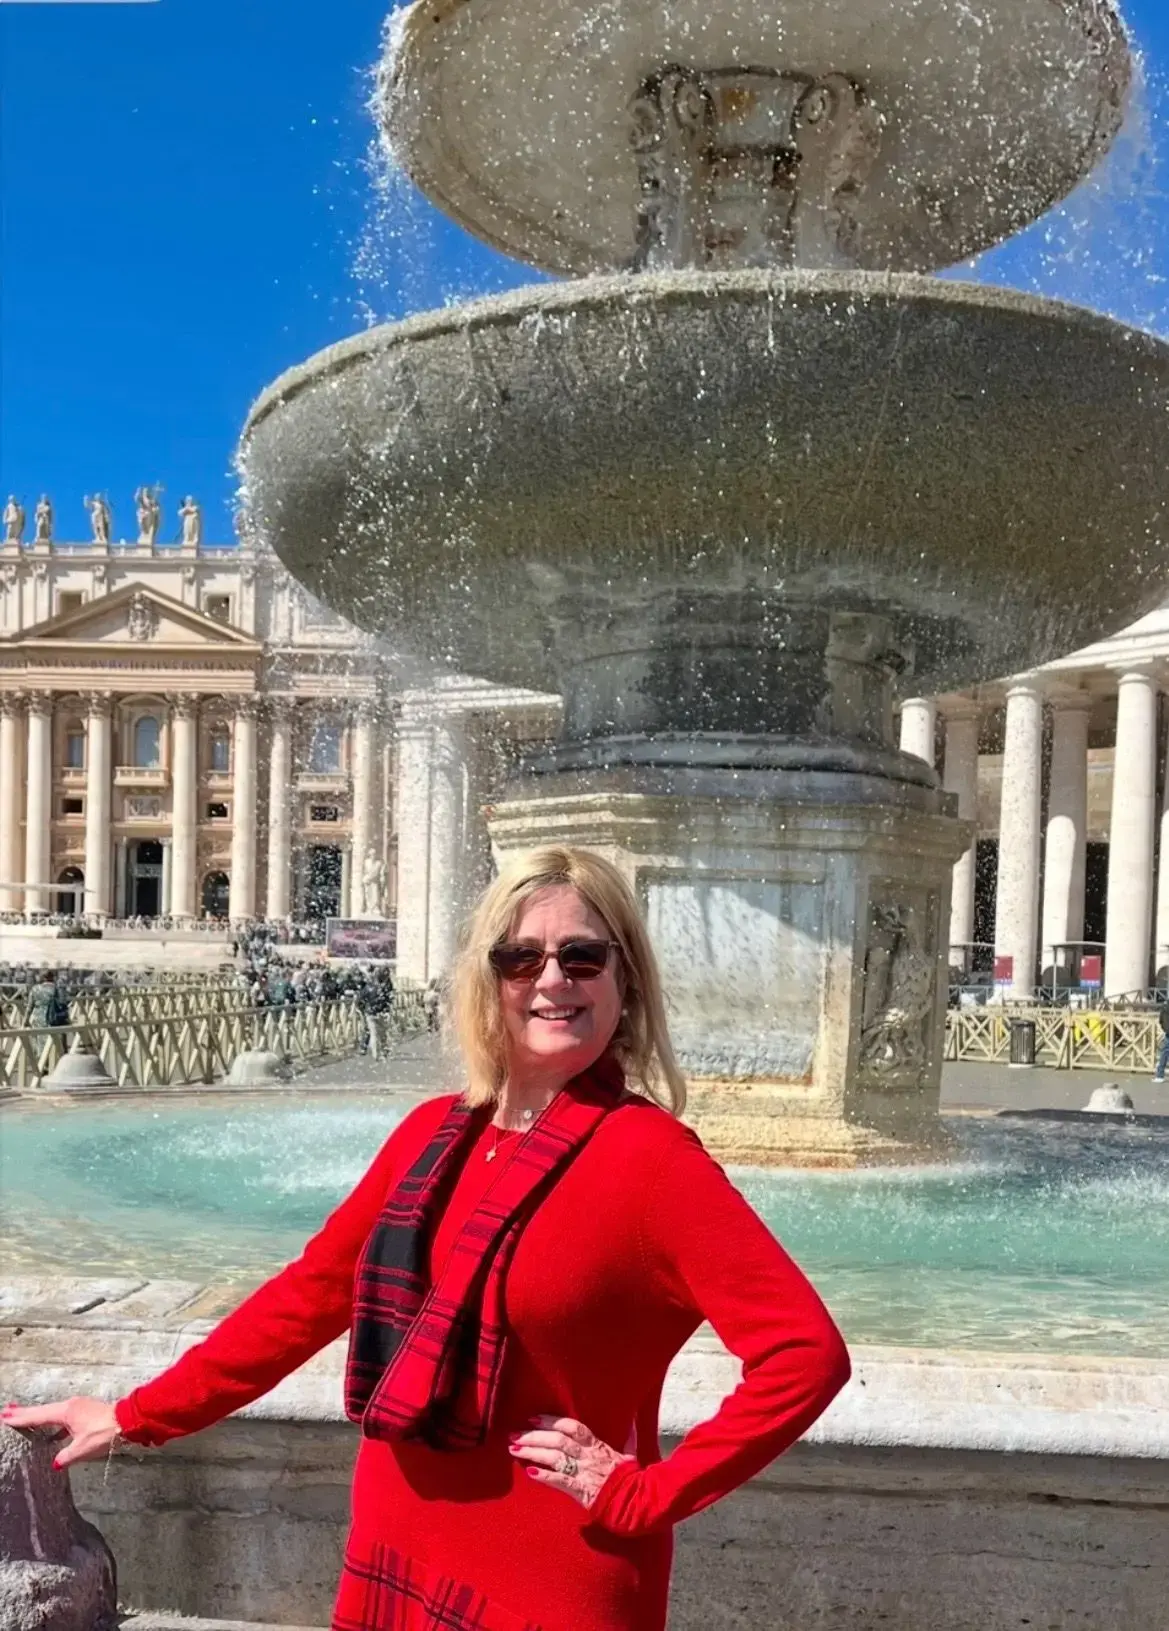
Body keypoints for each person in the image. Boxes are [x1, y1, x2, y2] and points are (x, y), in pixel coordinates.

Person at [1, 845, 849, 1631]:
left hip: (555, 1574)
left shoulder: (651, 1159)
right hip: (396, 1542)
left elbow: (804, 1355)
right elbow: (308, 1298)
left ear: (624, 979)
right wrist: (138, 1411)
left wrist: (648, 1493)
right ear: (488, 980)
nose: (551, 978)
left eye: (582, 956)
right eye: (521, 957)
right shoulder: (430, 1134)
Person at [1154, 997, 1169, 1082]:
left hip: (1168, 1031)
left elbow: (1161, 1019)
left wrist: (1164, 1028)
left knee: (1164, 1052)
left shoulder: (1164, 1005)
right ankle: (1160, 1075)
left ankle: (1160, 1075)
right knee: (1165, 1052)